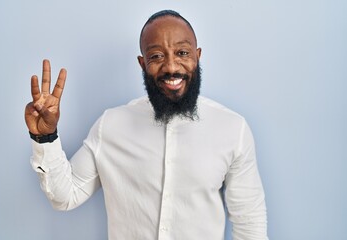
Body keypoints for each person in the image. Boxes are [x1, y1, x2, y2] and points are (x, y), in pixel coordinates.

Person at [25, 10, 268, 240]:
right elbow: (65, 196)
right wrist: (45, 137)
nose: (171, 67)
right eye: (157, 56)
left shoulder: (232, 129)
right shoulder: (110, 125)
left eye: (182, 53)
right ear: (143, 64)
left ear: (197, 56)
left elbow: (250, 225)